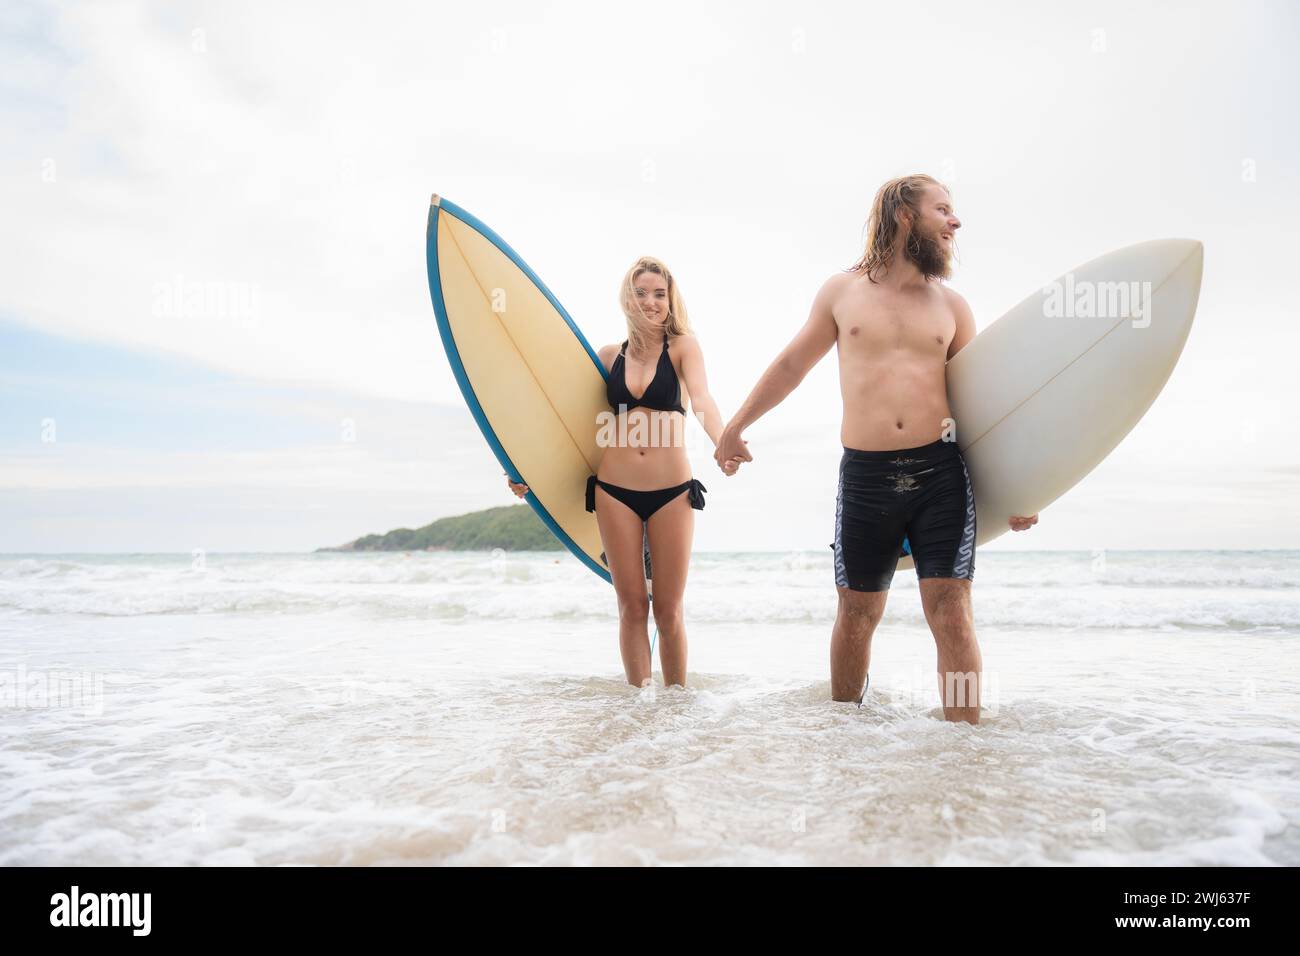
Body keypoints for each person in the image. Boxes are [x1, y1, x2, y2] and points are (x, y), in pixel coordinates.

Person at [714, 174, 1038, 724]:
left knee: (952, 611)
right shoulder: (842, 293)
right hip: (866, 476)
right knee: (858, 613)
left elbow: (982, 407)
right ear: (904, 216)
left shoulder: (953, 307)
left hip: (941, 473)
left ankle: (965, 749)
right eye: (943, 210)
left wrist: (1024, 486)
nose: (955, 222)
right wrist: (735, 426)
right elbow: (793, 365)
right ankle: (846, 736)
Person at [509, 257, 742, 688]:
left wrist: (724, 440)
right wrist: (524, 468)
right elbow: (565, 421)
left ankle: (675, 709)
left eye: (659, 294)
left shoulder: (684, 347)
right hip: (613, 491)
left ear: (671, 300)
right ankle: (636, 712)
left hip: (672, 491)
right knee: (631, 607)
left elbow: (704, 402)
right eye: (640, 293)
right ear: (627, 298)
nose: (650, 302)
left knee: (669, 610)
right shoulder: (606, 356)